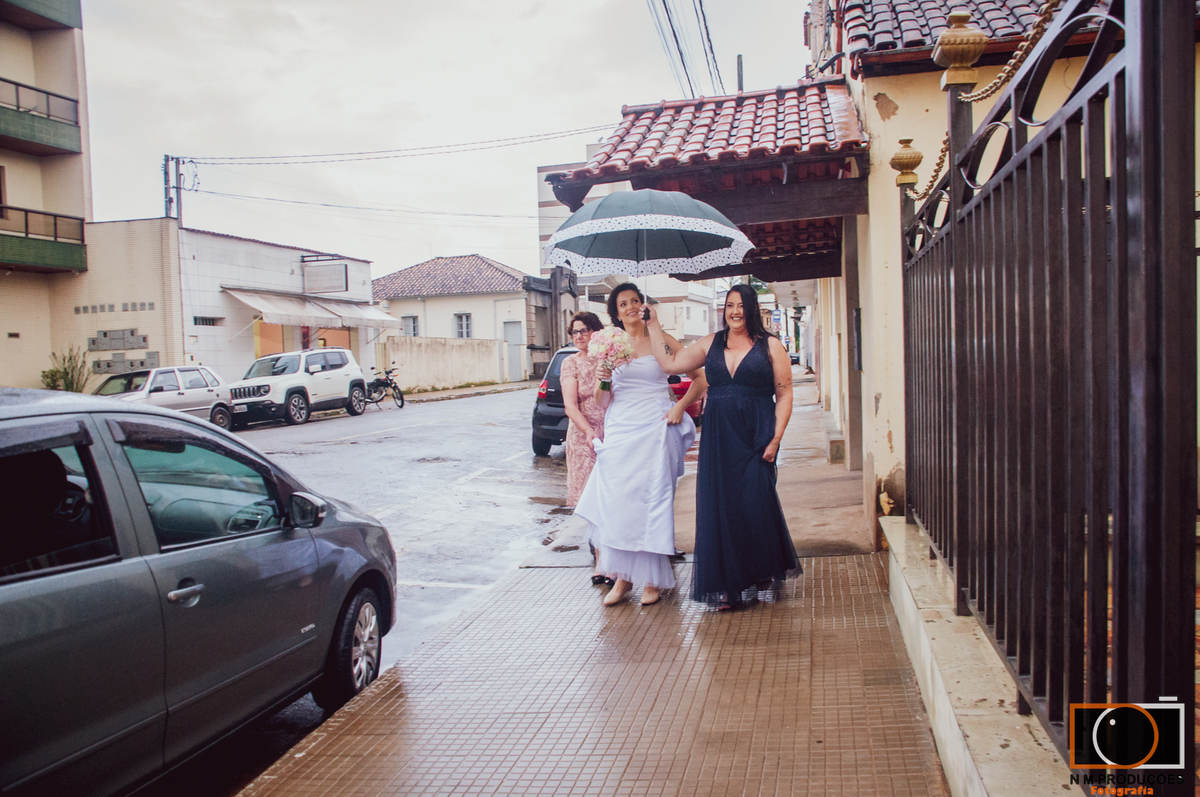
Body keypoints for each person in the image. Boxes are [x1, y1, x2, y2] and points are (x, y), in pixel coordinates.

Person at [645, 284, 799, 610]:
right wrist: (653, 325)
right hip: (719, 437)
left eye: (742, 305)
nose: (735, 311)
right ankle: (729, 585)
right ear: (724, 309)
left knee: (756, 503)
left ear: (752, 308)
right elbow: (671, 364)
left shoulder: (770, 346)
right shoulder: (710, 343)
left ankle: (760, 568)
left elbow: (784, 393)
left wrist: (776, 438)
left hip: (758, 434)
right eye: (730, 305)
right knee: (721, 507)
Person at [574, 283, 707, 606]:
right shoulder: (607, 343)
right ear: (615, 312)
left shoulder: (660, 339)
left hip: (655, 427)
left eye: (635, 300)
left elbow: (702, 379)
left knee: (652, 501)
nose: (631, 307)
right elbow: (602, 400)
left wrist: (678, 406)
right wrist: (604, 375)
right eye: (623, 303)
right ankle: (621, 578)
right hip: (621, 428)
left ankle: (652, 579)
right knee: (618, 503)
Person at [559, 311, 611, 586]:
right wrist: (589, 431)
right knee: (594, 499)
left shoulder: (609, 360)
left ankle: (614, 558)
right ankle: (602, 560)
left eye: (585, 330)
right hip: (584, 436)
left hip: (613, 431)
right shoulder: (570, 363)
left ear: (596, 332)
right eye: (575, 332)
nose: (579, 336)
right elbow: (570, 405)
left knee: (612, 496)